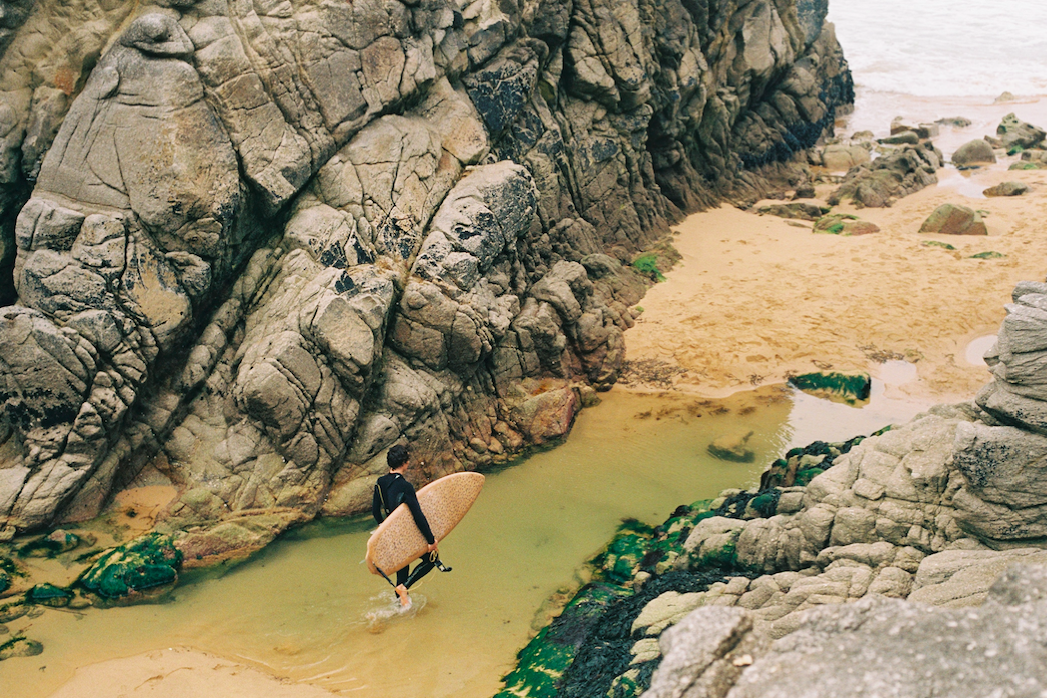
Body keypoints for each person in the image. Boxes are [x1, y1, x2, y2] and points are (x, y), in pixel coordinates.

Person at [371, 444, 447, 608]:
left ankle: (402, 608)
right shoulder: (405, 487)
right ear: (405, 463)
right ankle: (404, 588)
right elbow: (418, 515)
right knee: (431, 560)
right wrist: (430, 540)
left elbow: (375, 511)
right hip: (406, 534)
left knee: (402, 570)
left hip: (391, 535)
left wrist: (383, 529)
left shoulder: (380, 483)